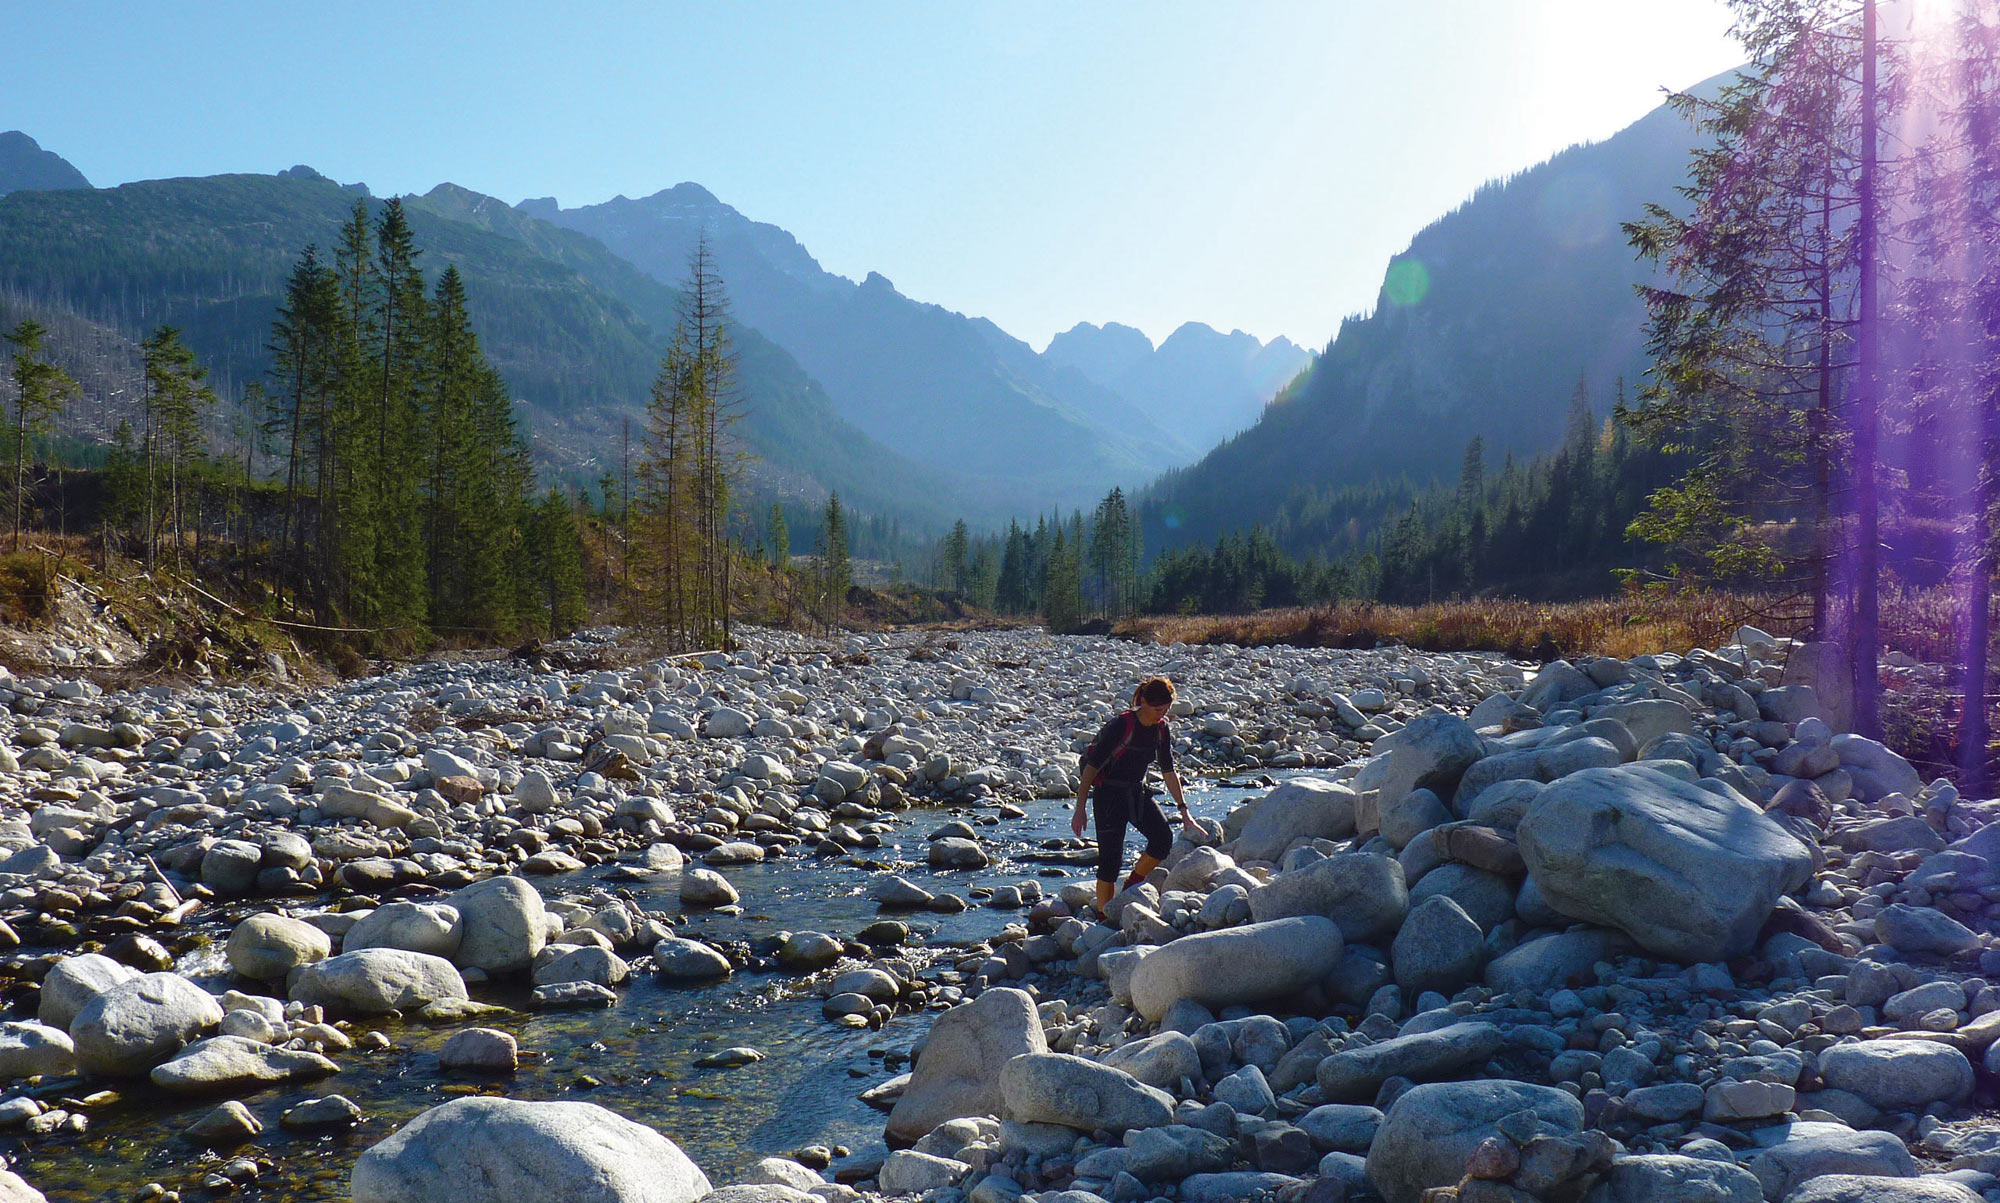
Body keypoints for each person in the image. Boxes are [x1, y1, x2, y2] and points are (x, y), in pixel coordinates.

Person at [1072, 676, 1192, 911]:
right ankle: (1104, 916)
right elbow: (1091, 769)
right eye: (1158, 709)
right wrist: (1080, 809)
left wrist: (1184, 810)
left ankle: (1130, 887)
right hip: (1108, 796)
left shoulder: (1161, 728)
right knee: (1110, 861)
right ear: (1144, 702)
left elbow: (1168, 770)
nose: (1161, 714)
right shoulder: (1122, 726)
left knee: (1162, 840)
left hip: (1136, 793)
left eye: (1166, 709)